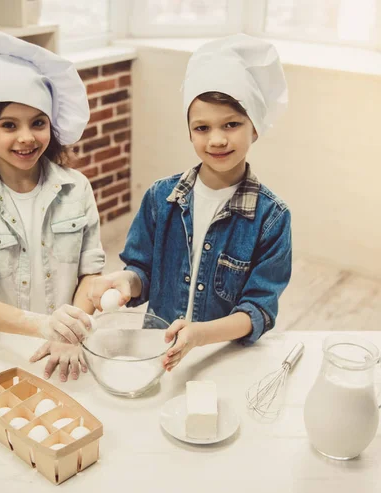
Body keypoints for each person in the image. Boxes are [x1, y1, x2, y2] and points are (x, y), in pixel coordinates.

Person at [89, 34, 292, 372]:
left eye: (231, 124)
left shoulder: (272, 218)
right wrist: (126, 282)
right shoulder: (160, 199)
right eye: (202, 127)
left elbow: (259, 310)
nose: (217, 139)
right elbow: (142, 272)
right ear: (189, 132)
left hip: (221, 357)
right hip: (159, 350)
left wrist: (200, 335)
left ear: (255, 127)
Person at [0, 30, 104, 381]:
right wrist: (45, 326)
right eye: (9, 125)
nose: (26, 137)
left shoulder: (76, 188)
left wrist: (69, 331)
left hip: (66, 350)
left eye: (38, 123)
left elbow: (91, 273)